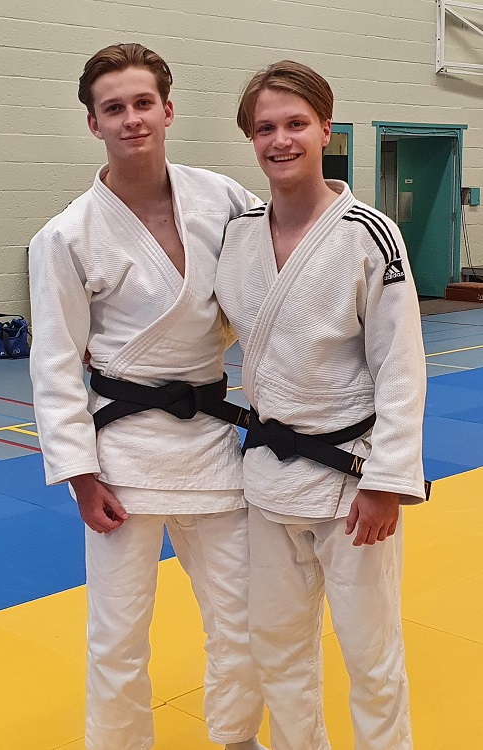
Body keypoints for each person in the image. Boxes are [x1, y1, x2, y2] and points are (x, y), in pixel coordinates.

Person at [28, 43, 266, 750]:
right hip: (123, 454)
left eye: (142, 103)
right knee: (118, 631)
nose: (131, 119)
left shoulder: (223, 199)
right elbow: (54, 362)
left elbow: (276, 274)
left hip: (212, 442)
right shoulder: (65, 235)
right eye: (114, 108)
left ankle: (237, 736)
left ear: (167, 110)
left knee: (242, 614)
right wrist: (79, 474)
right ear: (93, 123)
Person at [215, 60, 427, 750]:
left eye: (296, 124)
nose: (280, 140)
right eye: (265, 128)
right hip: (267, 477)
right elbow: (209, 323)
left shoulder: (369, 234)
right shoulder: (240, 235)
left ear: (325, 130)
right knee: (277, 649)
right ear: (251, 138)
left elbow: (400, 367)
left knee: (371, 656)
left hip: (350, 480)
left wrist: (387, 482)